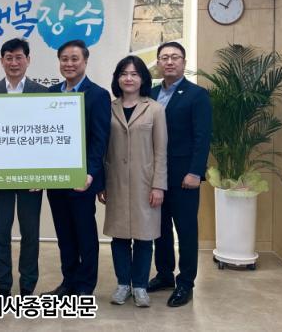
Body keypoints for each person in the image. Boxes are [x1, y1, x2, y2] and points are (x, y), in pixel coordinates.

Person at [98, 55, 167, 308]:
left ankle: (139, 286)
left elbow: (161, 151)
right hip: (115, 181)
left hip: (145, 183)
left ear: (143, 79)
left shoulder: (155, 109)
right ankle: (122, 284)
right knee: (119, 237)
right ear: (117, 78)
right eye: (124, 74)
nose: (129, 78)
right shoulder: (109, 108)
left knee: (144, 237)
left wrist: (158, 185)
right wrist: (102, 183)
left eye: (134, 74)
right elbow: (101, 148)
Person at [0, 38, 48, 297]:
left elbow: (47, 137)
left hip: (32, 177)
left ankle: (28, 285)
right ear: (1, 61)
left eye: (19, 57)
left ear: (28, 60)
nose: (14, 62)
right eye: (8, 57)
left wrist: (42, 174)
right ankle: (3, 285)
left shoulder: (42, 92)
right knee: (1, 232)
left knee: (30, 233)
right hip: (0, 176)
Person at [44, 39, 111, 297]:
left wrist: (90, 174)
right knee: (64, 233)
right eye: (64, 59)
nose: (69, 64)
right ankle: (68, 281)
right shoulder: (51, 93)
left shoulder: (98, 95)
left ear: (85, 61)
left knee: (84, 234)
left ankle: (85, 285)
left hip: (82, 178)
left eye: (74, 59)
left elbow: (99, 140)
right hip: (55, 177)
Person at [147, 42, 212, 307]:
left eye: (175, 57)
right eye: (164, 57)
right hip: (155, 176)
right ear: (158, 63)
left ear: (184, 62)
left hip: (184, 176)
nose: (169, 62)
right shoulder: (149, 93)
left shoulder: (197, 95)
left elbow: (202, 137)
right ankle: (164, 274)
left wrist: (195, 171)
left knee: (185, 230)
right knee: (159, 228)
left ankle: (186, 282)